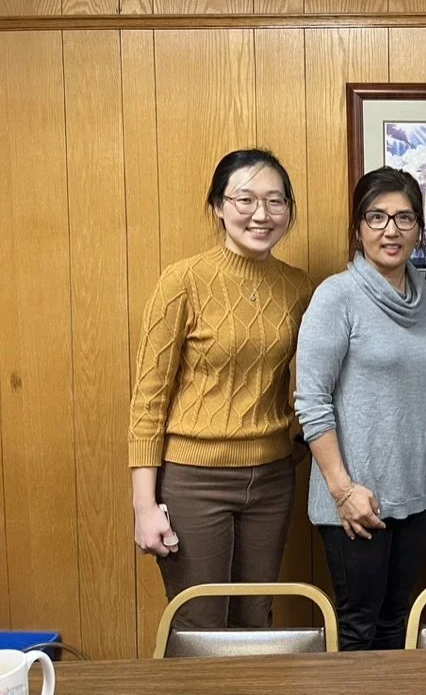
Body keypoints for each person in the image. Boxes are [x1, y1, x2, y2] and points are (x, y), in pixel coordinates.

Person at [129, 148, 313, 629]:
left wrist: (290, 438)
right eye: (245, 199)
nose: (261, 214)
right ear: (218, 205)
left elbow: (310, 380)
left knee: (256, 621)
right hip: (194, 479)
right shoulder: (183, 281)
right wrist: (144, 506)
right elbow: (148, 401)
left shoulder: (298, 288)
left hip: (272, 481)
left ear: (289, 209)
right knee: (199, 624)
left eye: (276, 201)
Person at [295, 166, 426, 650]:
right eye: (376, 217)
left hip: (417, 495)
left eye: (404, 218)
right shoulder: (336, 296)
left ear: (419, 228)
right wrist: (343, 491)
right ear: (358, 228)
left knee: (398, 621)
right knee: (359, 625)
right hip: (355, 500)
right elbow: (311, 401)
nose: (391, 230)